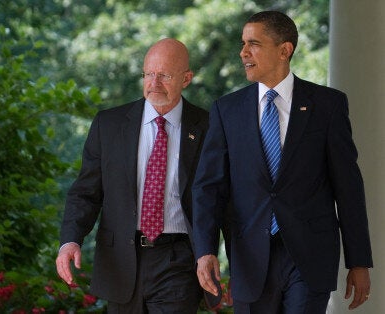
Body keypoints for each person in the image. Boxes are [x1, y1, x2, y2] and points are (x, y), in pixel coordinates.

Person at [192, 10, 373, 313]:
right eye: (242, 44)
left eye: (254, 44)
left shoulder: (328, 105)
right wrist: (205, 251)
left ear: (284, 50)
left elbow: (348, 188)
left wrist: (359, 261)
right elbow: (208, 188)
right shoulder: (227, 110)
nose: (243, 53)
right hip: (249, 258)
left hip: (309, 257)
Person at [56, 38, 209, 313]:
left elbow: (222, 198)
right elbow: (86, 193)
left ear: (186, 79)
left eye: (164, 75)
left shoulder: (208, 127)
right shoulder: (109, 125)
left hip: (177, 259)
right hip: (120, 258)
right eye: (149, 74)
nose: (154, 83)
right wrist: (70, 240)